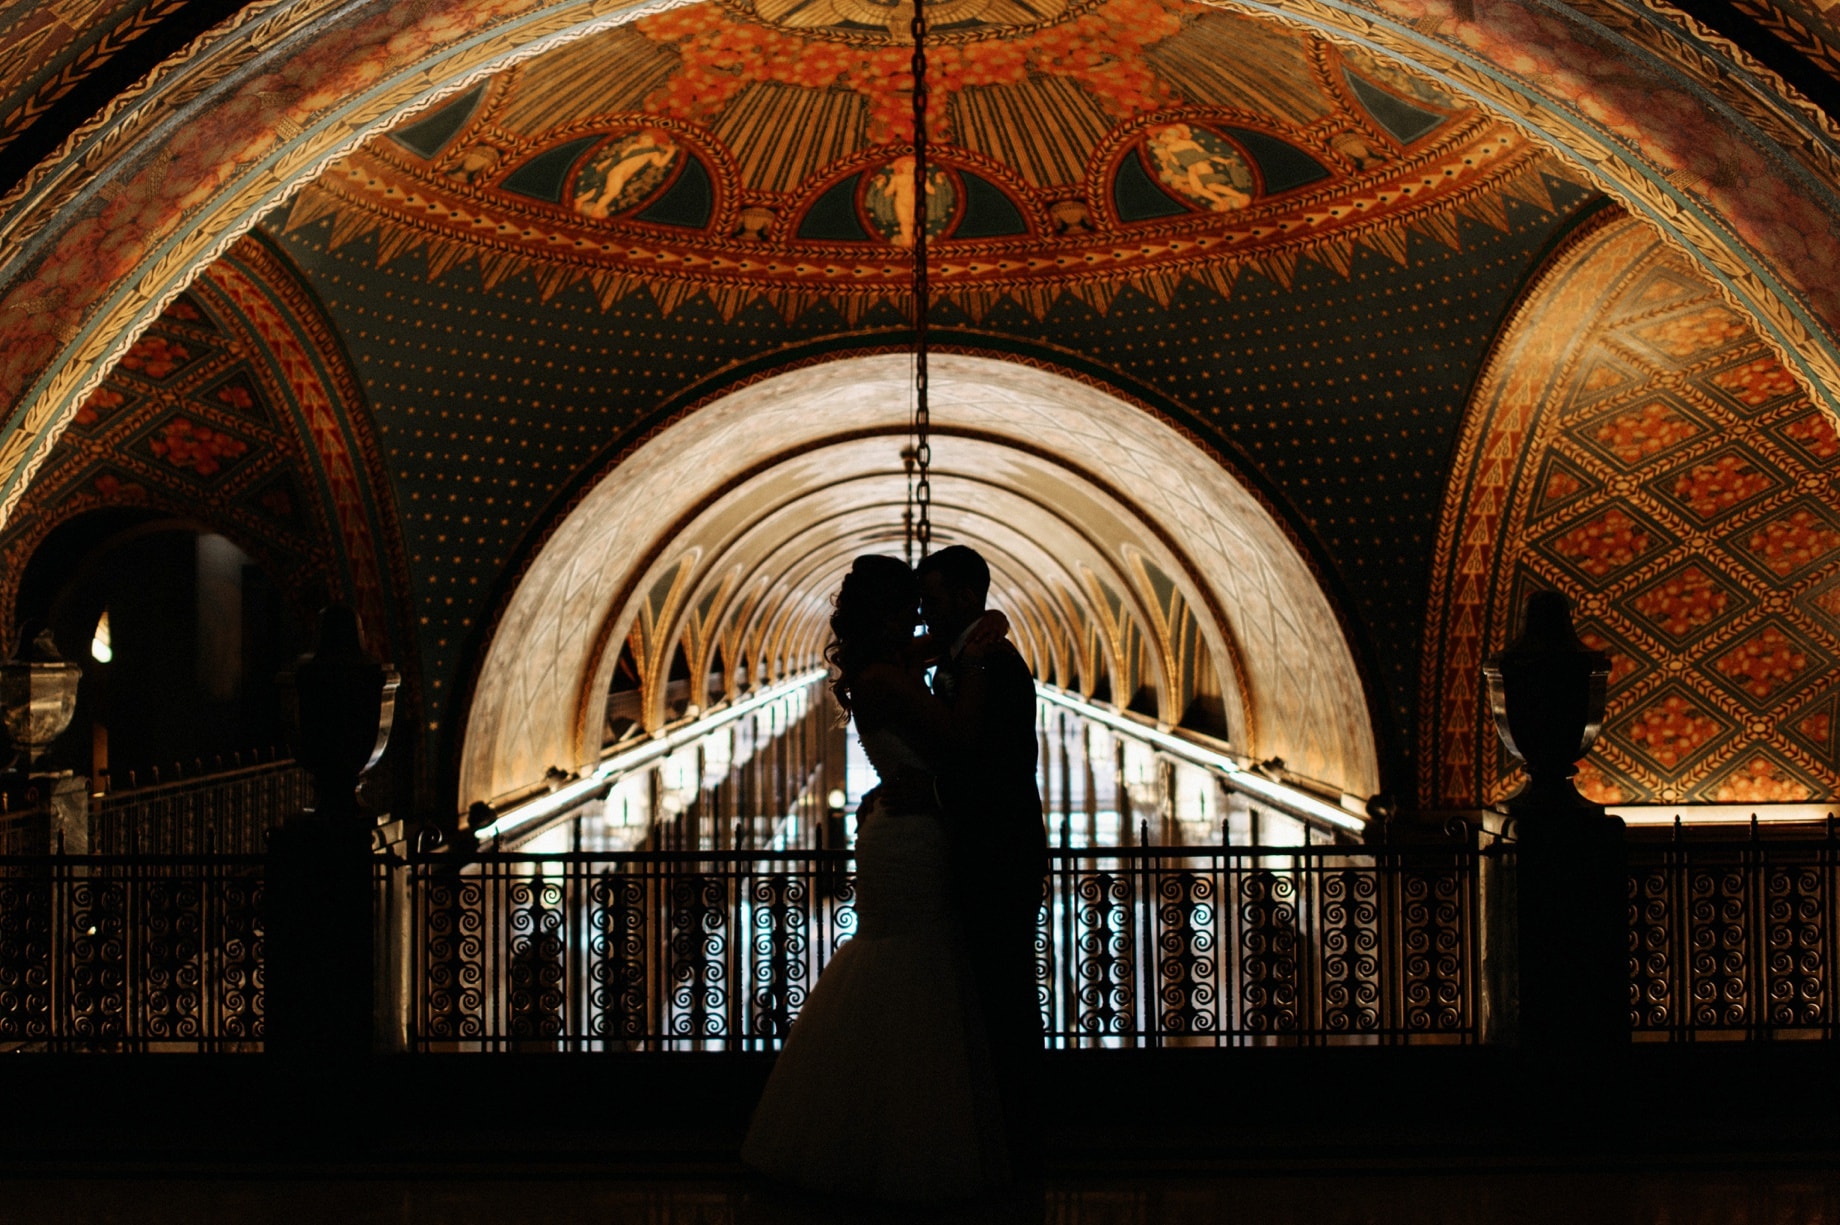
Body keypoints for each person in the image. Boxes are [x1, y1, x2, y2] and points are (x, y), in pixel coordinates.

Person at [741, 554, 1010, 1202]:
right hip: (912, 835)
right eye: (907, 604)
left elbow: (930, 647)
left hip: (898, 828)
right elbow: (959, 737)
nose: (918, 613)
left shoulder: (879, 668)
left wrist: (976, 626)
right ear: (886, 612)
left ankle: (868, 1128)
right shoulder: (889, 677)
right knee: (914, 969)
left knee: (897, 963)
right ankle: (910, 1139)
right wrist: (975, 657)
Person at [916, 545, 1050, 1178]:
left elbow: (992, 770)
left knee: (1007, 998)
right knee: (992, 994)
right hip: (989, 855)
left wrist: (928, 794)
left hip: (1000, 856)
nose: (924, 614)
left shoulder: (993, 664)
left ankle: (1022, 1140)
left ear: (966, 597)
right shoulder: (968, 655)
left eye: (933, 600)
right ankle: (1001, 1133)